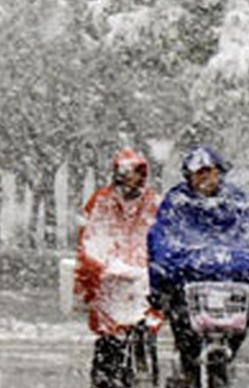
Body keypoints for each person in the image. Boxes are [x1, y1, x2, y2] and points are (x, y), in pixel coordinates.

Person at [147, 145, 249, 388]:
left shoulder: (237, 203)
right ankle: (188, 372)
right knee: (184, 332)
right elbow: (162, 240)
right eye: (199, 173)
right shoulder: (177, 203)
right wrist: (164, 274)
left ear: (220, 173)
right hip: (189, 289)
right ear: (189, 176)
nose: (206, 178)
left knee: (238, 327)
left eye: (210, 172)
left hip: (229, 288)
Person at [74, 148, 162, 388]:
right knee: (109, 342)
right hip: (110, 284)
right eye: (125, 173)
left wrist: (155, 269)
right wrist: (103, 268)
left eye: (135, 173)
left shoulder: (154, 203)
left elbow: (161, 240)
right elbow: (91, 240)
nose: (130, 179)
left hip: (144, 283)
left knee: (145, 337)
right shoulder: (101, 202)